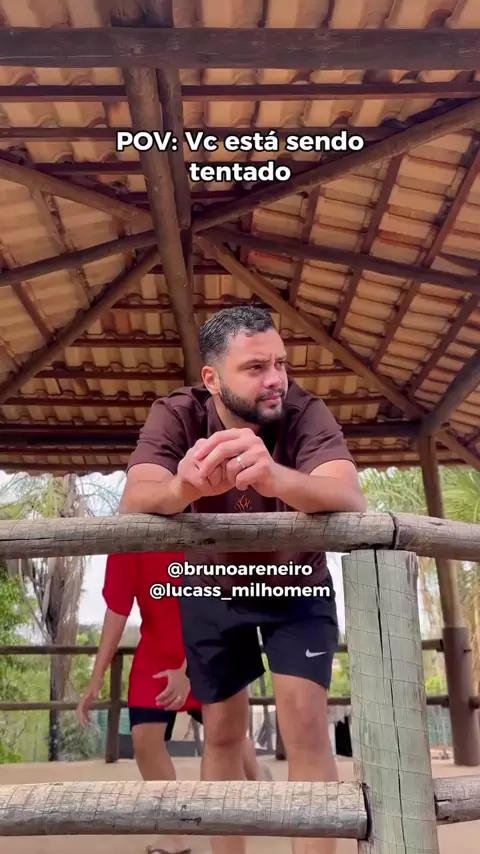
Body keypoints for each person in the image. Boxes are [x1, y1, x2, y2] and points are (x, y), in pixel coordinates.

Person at [119, 306, 367, 854]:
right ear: (212, 378)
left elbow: (349, 495)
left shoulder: (305, 410)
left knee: (306, 725)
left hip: (295, 580)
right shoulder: (177, 413)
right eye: (256, 368)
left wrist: (274, 476)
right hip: (210, 584)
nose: (276, 378)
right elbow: (136, 497)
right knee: (223, 732)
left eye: (280, 363)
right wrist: (182, 489)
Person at [76, 549, 264, 854]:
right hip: (157, 652)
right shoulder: (127, 543)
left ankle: (260, 791)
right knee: (144, 739)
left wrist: (188, 670)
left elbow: (218, 606)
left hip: (209, 647)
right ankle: (175, 830)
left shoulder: (199, 532)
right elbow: (117, 610)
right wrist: (96, 677)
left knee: (229, 738)